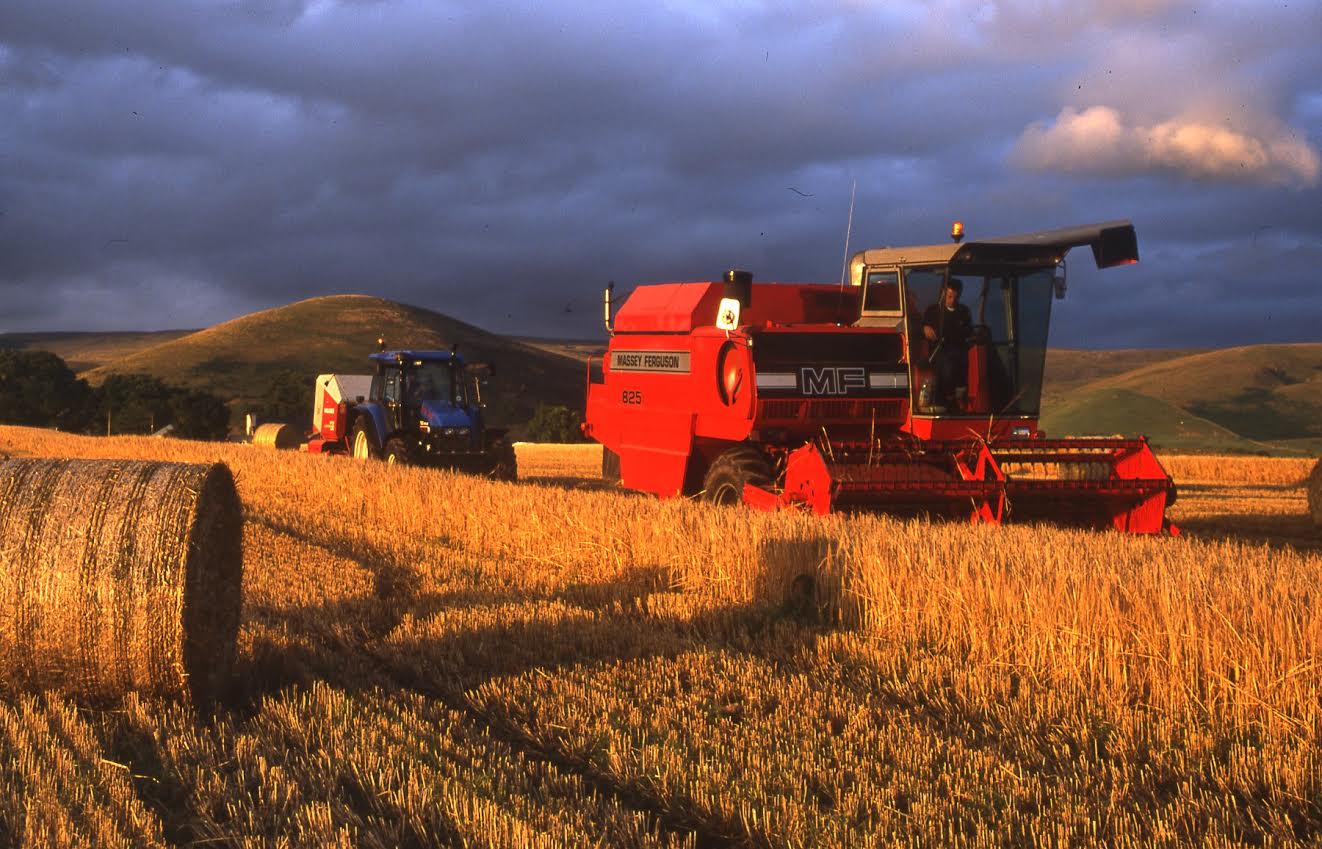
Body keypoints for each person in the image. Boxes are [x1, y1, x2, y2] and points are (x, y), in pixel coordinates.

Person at [922, 278, 973, 410]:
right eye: (950, 296)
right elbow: (919, 328)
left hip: (960, 353)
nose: (952, 300)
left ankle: (961, 398)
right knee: (948, 365)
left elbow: (969, 333)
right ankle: (951, 400)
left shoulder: (964, 312)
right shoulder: (933, 311)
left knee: (964, 362)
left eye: (956, 297)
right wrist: (924, 328)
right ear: (943, 293)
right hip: (938, 354)